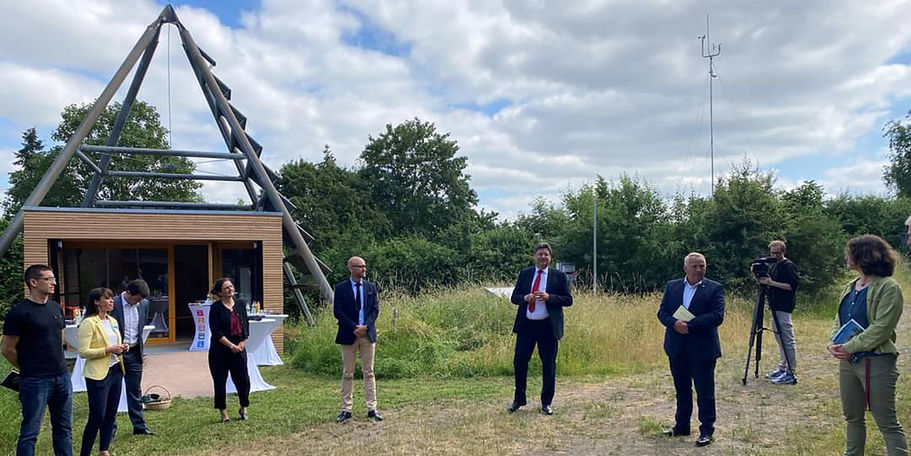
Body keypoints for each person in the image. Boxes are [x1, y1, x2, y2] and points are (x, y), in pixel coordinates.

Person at [827, 235, 907, 455]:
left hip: (877, 361)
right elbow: (839, 318)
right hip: (849, 361)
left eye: (849, 251)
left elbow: (881, 328)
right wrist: (834, 342)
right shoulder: (851, 286)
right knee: (852, 417)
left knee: (887, 421)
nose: (846, 256)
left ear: (863, 255)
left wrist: (849, 346)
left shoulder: (889, 288)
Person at [1, 264, 73, 456]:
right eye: (48, 279)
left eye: (53, 279)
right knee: (30, 432)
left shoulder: (55, 307)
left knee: (64, 429)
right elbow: (7, 349)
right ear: (33, 282)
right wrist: (28, 368)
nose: (53, 283)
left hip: (62, 377)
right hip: (35, 380)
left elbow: (60, 339)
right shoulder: (19, 313)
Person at [657, 252, 725, 447]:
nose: (698, 270)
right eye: (694, 266)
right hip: (677, 346)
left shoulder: (714, 288)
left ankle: (706, 430)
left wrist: (690, 325)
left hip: (702, 348)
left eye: (702, 266)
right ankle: (681, 425)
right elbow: (662, 312)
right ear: (685, 268)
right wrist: (674, 324)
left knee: (705, 390)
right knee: (682, 388)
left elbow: (717, 316)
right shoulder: (673, 286)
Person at [508, 242, 573, 415]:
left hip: (548, 327)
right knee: (520, 362)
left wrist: (549, 297)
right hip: (527, 326)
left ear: (550, 258)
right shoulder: (525, 274)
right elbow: (514, 297)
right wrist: (525, 298)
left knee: (548, 365)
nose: (543, 257)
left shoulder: (558, 276)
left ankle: (546, 403)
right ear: (534, 256)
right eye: (540, 254)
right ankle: (519, 399)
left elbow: (568, 300)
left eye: (546, 254)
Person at [77, 288, 127, 456]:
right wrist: (108, 349)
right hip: (98, 374)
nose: (112, 301)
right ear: (96, 302)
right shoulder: (89, 323)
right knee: (97, 416)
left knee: (111, 413)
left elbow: (116, 342)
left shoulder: (112, 320)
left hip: (115, 371)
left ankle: (103, 450)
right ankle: (85, 452)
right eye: (107, 298)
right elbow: (83, 352)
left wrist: (121, 348)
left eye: (112, 298)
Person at [334, 256, 382, 423]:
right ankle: (346, 409)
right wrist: (354, 327)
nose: (363, 269)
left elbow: (375, 310)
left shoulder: (370, 287)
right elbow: (338, 312)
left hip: (367, 335)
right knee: (348, 373)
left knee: (369, 372)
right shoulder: (340, 288)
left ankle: (372, 408)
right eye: (360, 266)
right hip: (349, 335)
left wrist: (365, 327)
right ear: (351, 268)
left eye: (364, 266)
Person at [111, 279, 154, 435]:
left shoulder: (144, 305)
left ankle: (139, 427)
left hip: (135, 353)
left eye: (142, 300)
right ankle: (110, 430)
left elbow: (141, 326)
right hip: (115, 354)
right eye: (137, 299)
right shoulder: (113, 304)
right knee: (113, 392)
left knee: (135, 391)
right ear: (128, 293)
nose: (139, 302)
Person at [208, 278, 251, 422]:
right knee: (220, 381)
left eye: (231, 286)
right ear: (220, 292)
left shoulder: (240, 305)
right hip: (220, 349)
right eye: (226, 288)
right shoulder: (215, 308)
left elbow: (245, 325)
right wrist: (231, 346)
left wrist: (242, 342)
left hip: (239, 347)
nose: (230, 289)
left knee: (243, 379)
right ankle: (224, 414)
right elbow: (216, 332)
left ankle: (244, 408)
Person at [758, 240, 800, 385]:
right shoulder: (774, 265)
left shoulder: (788, 266)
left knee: (787, 339)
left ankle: (790, 372)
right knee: (779, 339)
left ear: (783, 252)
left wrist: (771, 283)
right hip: (775, 306)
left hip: (784, 306)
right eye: (772, 253)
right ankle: (782, 368)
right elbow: (766, 281)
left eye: (778, 253)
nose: (775, 255)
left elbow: (791, 286)